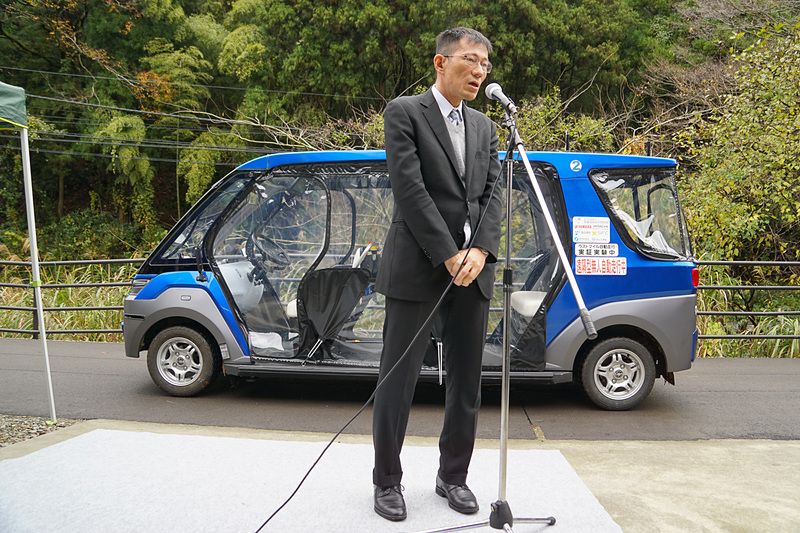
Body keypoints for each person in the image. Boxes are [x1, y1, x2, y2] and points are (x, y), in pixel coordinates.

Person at [372, 26, 503, 521]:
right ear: (440, 62)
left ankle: (454, 477)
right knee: (397, 378)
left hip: (473, 270)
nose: (479, 71)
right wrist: (449, 252)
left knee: (466, 381)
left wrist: (481, 252)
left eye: (486, 64)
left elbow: (494, 196)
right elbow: (409, 189)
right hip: (419, 266)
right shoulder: (405, 112)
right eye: (470, 60)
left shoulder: (487, 128)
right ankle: (387, 481)